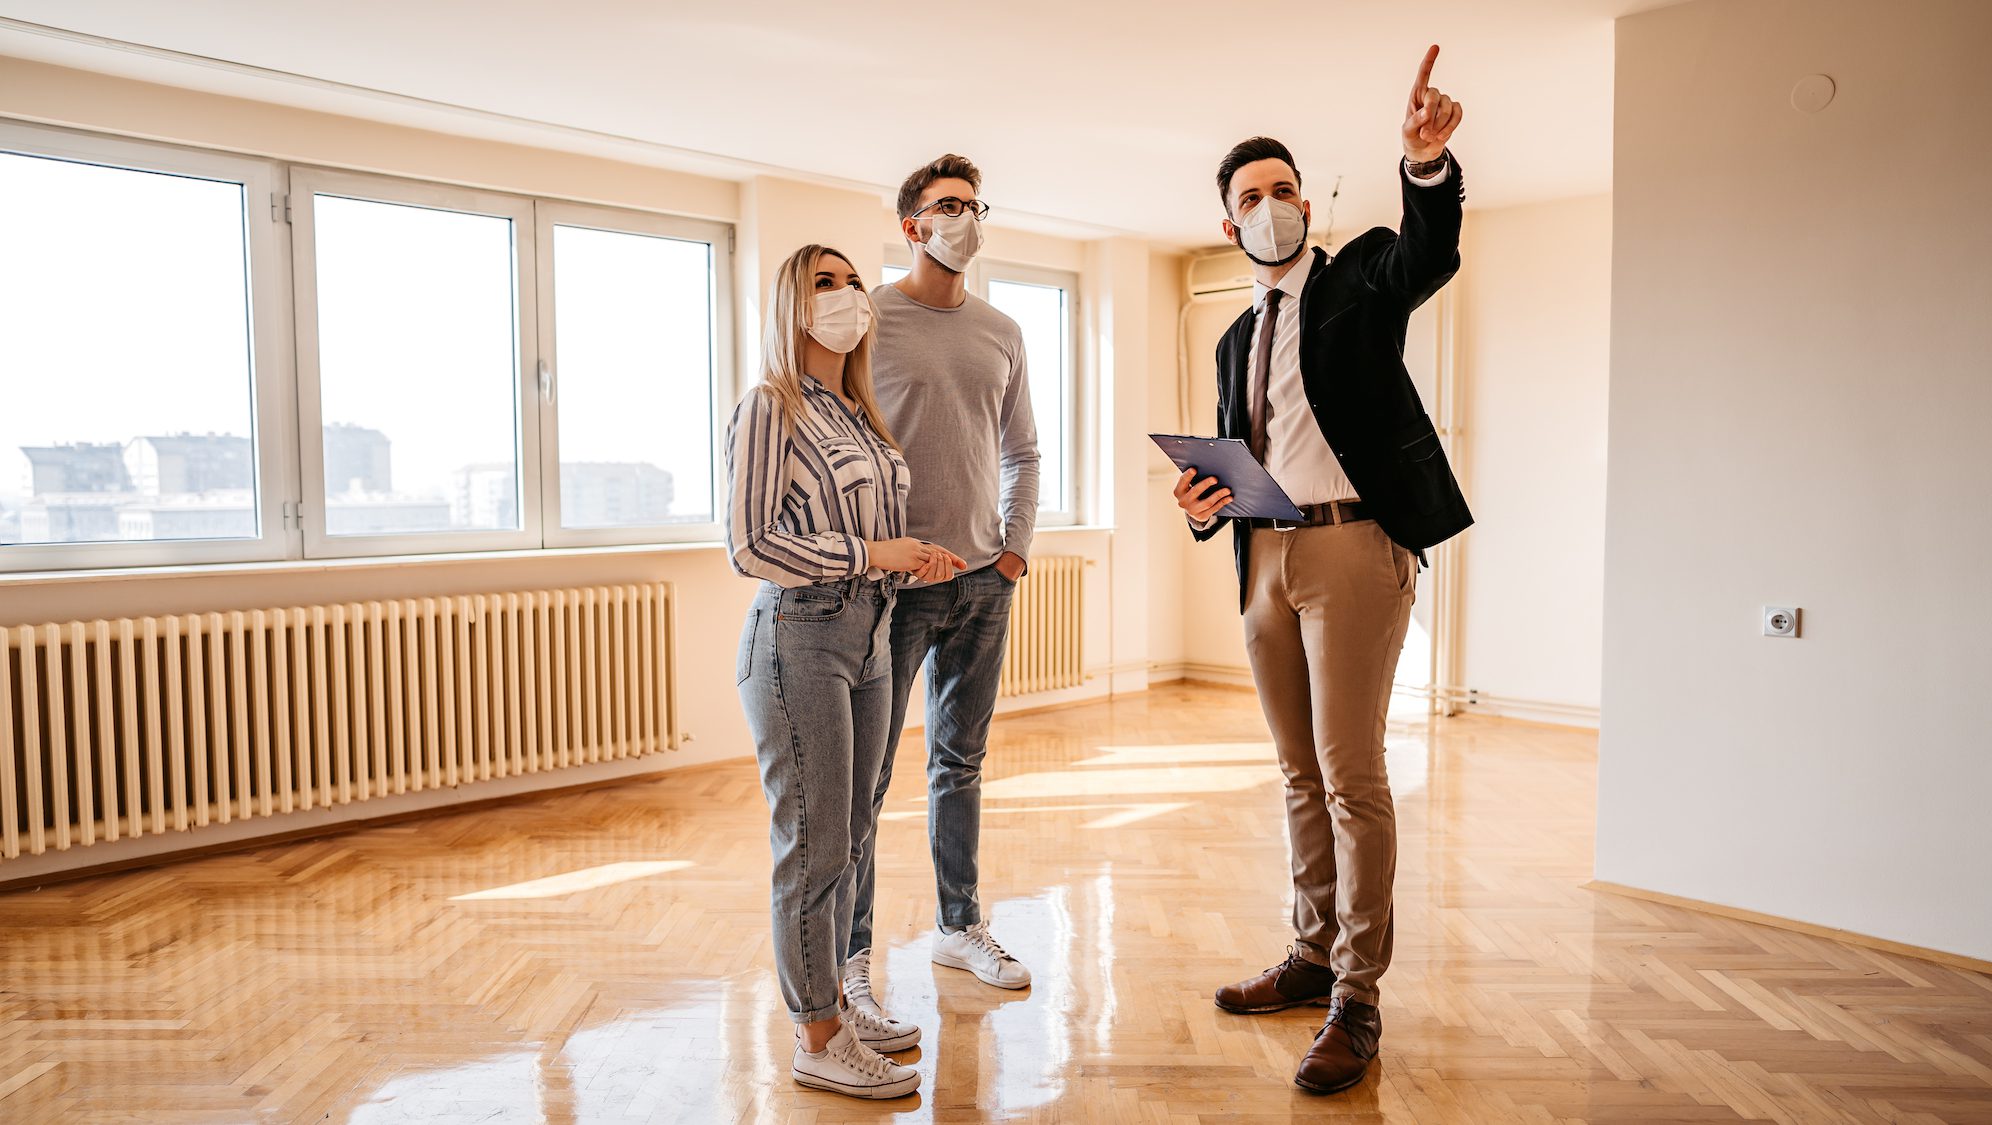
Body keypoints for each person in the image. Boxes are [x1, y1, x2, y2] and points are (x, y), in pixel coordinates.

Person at [1172, 46, 1472, 1096]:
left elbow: (1426, 255)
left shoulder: (1358, 282)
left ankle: (1358, 995)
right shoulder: (1228, 340)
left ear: (1305, 202)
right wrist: (1207, 503)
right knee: (1297, 773)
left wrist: (1423, 163)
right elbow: (1243, 460)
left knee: (1351, 775)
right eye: (1250, 197)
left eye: (1284, 189)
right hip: (1264, 558)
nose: (1270, 206)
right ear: (1229, 222)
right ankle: (1308, 955)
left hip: (1353, 549)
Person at [727, 243, 968, 1100]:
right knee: (815, 842)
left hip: (870, 632)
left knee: (854, 831)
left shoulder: (858, 412)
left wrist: (908, 562)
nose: (844, 295)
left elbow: (870, 541)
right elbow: (750, 545)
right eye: (822, 283)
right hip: (799, 638)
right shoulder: (771, 406)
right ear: (792, 307)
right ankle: (816, 1035)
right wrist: (873, 550)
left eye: (850, 281)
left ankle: (835, 996)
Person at [842, 154, 1041, 1024]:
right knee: (868, 777)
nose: (962, 217)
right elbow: (838, 445)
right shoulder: (869, 320)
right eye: (944, 205)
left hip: (983, 585)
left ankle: (959, 924)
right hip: (898, 593)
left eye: (971, 204)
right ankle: (849, 958)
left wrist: (1014, 551)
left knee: (960, 763)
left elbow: (1022, 452)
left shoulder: (1002, 330)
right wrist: (879, 555)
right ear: (911, 225)